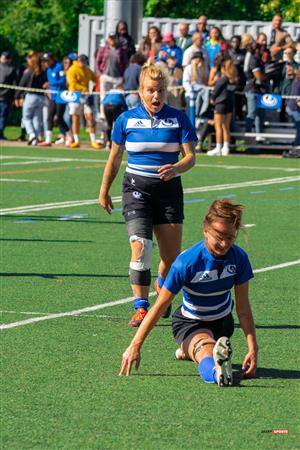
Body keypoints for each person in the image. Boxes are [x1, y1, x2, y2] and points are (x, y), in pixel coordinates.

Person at [119, 199, 258, 387]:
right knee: (205, 351)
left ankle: (188, 350)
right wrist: (135, 346)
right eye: (219, 236)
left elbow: (243, 309)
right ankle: (217, 372)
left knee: (206, 345)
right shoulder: (186, 263)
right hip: (191, 322)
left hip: (223, 323)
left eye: (230, 238)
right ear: (205, 230)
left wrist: (253, 347)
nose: (224, 243)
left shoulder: (239, 258)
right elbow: (159, 307)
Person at [99, 63, 196, 327]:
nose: (156, 96)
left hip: (168, 192)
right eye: (151, 91)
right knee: (140, 247)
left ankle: (162, 286)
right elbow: (115, 158)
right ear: (140, 91)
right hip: (136, 190)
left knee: (171, 258)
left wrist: (176, 167)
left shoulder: (179, 118)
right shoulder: (126, 119)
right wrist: (104, 189)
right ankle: (141, 307)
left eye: (161, 91)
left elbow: (190, 158)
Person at [67, 54, 101, 149]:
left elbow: (95, 78)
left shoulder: (87, 70)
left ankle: (93, 140)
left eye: (84, 61)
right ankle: (76, 140)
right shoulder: (72, 70)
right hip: (75, 96)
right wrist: (84, 89)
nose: (82, 63)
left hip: (85, 96)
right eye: (80, 61)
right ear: (78, 61)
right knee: (76, 118)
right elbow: (73, 84)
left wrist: (95, 87)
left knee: (90, 116)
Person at [37, 53, 71, 147]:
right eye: (44, 61)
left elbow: (63, 80)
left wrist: (50, 84)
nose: (46, 63)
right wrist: (48, 89)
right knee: (49, 116)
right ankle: (48, 139)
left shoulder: (59, 67)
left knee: (59, 118)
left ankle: (69, 136)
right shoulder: (48, 70)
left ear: (52, 59)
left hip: (61, 95)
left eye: (47, 60)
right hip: (52, 96)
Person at [207, 58, 237, 156]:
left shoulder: (223, 78)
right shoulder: (233, 79)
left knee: (218, 126)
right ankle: (226, 147)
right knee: (226, 126)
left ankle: (218, 148)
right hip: (229, 104)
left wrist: (212, 98)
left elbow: (216, 90)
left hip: (220, 104)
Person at [17, 52, 47, 146]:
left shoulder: (29, 71)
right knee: (36, 119)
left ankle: (32, 135)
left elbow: (22, 84)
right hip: (41, 97)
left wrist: (17, 96)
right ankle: (36, 138)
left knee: (26, 118)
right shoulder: (44, 71)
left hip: (31, 97)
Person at [0, 51, 16, 140]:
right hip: (4, 97)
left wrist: (14, 97)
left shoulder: (11, 69)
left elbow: (13, 83)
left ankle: (0, 133)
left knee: (3, 117)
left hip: (5, 97)